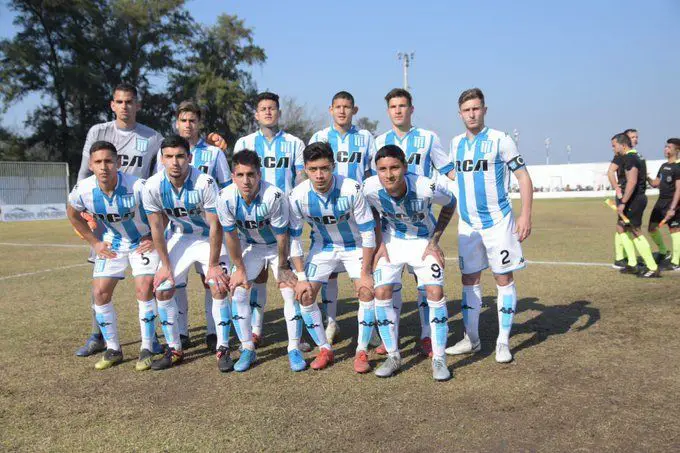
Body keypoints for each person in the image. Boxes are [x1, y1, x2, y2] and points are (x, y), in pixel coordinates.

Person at [74, 83, 164, 357]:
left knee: (147, 282)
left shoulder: (152, 137)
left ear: (138, 105)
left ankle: (152, 338)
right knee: (100, 283)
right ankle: (98, 335)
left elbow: (157, 180)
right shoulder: (98, 132)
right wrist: (86, 214)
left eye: (129, 102)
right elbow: (83, 173)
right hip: (105, 222)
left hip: (138, 219)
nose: (124, 106)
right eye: (119, 102)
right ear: (112, 105)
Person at [445, 88, 533, 363]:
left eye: (476, 108)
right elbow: (454, 175)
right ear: (460, 114)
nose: (471, 114)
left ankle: (503, 342)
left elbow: (524, 178)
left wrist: (525, 215)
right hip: (468, 224)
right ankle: (471, 339)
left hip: (498, 222)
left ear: (484, 110)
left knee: (503, 278)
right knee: (469, 279)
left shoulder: (500, 140)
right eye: (466, 110)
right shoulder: (456, 143)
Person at [372, 88, 455, 358]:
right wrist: (377, 242)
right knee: (389, 284)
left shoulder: (429, 138)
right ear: (388, 111)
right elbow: (370, 192)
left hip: (421, 218)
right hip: (392, 227)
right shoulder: (378, 141)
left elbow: (447, 171)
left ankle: (427, 336)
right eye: (393, 106)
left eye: (403, 105)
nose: (398, 110)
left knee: (425, 283)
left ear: (411, 109)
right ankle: (390, 338)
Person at [363, 145, 457, 380]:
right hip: (392, 241)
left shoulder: (425, 186)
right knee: (382, 290)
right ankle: (393, 355)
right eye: (382, 169)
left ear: (405, 167)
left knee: (434, 291)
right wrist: (379, 243)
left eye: (394, 167)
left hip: (422, 241)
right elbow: (371, 211)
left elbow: (450, 203)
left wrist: (434, 241)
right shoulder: (370, 188)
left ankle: (439, 359)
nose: (389, 174)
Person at [67, 141, 161, 371]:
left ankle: (147, 347)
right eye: (98, 162)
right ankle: (113, 349)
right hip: (113, 242)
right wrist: (95, 243)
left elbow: (162, 213)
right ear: (91, 165)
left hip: (142, 241)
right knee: (99, 291)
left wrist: (153, 237)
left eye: (109, 161)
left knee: (144, 288)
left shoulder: (139, 186)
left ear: (118, 163)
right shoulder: (83, 189)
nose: (104, 167)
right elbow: (72, 214)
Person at [142, 135, 232, 371]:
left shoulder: (205, 182)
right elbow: (156, 228)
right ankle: (174, 349)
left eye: (180, 156)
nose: (175, 162)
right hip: (181, 236)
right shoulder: (152, 185)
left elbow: (216, 225)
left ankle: (222, 347)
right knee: (162, 288)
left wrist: (212, 264)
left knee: (218, 284)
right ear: (162, 159)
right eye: (169, 157)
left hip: (207, 238)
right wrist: (164, 265)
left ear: (190, 158)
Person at [216, 150, 308, 372]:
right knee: (238, 290)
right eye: (240, 175)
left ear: (259, 174)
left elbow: (282, 236)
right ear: (232, 175)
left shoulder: (273, 195)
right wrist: (238, 269)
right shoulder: (225, 197)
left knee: (289, 291)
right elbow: (229, 236)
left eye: (251, 174)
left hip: (277, 248)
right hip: (252, 247)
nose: (245, 181)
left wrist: (283, 267)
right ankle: (248, 348)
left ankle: (294, 348)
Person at [289, 142, 377, 371]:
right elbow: (294, 239)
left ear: (333, 166)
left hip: (355, 245)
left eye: (325, 168)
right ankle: (324, 348)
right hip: (324, 245)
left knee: (366, 291)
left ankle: (361, 351)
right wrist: (300, 276)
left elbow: (368, 233)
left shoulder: (351, 188)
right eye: (313, 169)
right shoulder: (298, 195)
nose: (319, 175)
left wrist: (366, 273)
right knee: (305, 295)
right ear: (305, 170)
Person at [232, 92, 306, 347]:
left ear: (279, 112)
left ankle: (297, 337)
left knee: (289, 278)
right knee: (257, 277)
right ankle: (255, 329)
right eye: (263, 108)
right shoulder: (245, 142)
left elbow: (300, 179)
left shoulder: (295, 143)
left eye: (272, 108)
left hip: (284, 219)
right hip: (253, 221)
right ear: (256, 114)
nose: (268, 112)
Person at [308, 91, 375, 344]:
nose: (342, 111)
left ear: (354, 110)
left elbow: (370, 173)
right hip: (327, 211)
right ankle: (332, 322)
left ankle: (373, 325)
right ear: (330, 109)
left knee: (364, 270)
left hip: (357, 210)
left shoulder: (366, 137)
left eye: (347, 107)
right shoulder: (320, 137)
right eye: (338, 107)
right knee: (331, 272)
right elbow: (312, 171)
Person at [611, 133, 660, 277]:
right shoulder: (637, 156)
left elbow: (631, 182)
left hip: (634, 199)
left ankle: (652, 267)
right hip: (634, 198)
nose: (614, 149)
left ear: (623, 144)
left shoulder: (630, 158)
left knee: (635, 230)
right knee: (621, 228)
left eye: (615, 145)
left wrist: (623, 202)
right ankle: (632, 263)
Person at [647, 138, 680, 270]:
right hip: (661, 202)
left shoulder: (678, 166)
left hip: (673, 203)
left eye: (669, 147)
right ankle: (663, 251)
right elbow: (656, 183)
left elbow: (679, 189)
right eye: (665, 147)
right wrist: (646, 177)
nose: (666, 149)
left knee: (675, 230)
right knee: (652, 228)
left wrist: (673, 208)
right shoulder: (663, 166)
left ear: (677, 150)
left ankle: (676, 261)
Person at [608, 139, 637, 270]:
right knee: (625, 226)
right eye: (632, 137)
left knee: (625, 226)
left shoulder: (633, 156)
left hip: (631, 195)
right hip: (625, 194)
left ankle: (623, 257)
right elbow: (610, 172)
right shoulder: (620, 157)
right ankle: (623, 258)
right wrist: (617, 188)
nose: (634, 139)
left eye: (636, 137)